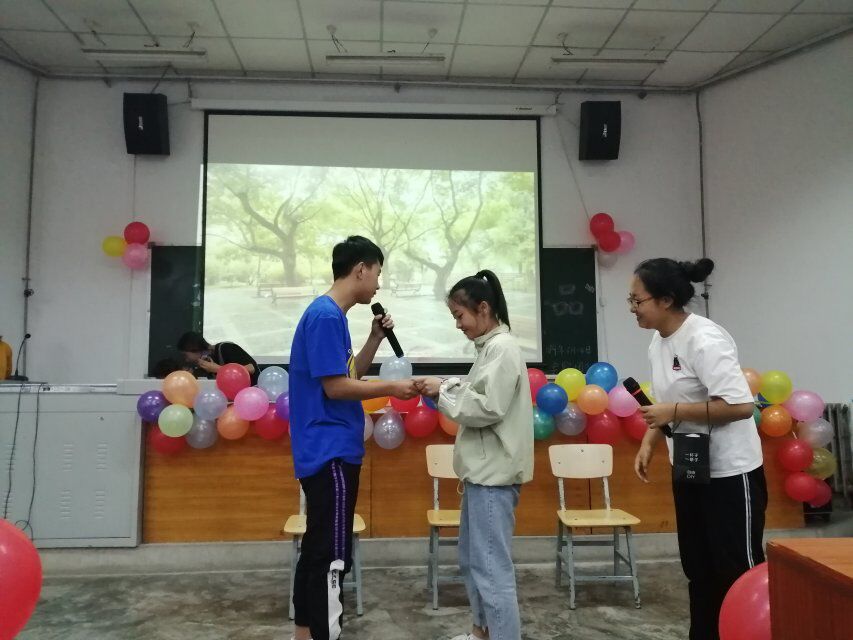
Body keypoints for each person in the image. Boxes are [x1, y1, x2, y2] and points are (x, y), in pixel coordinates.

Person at [289, 236, 418, 640]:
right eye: (377, 273)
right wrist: (392, 388)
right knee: (331, 557)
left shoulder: (332, 316)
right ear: (361, 269)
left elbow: (348, 375)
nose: (378, 284)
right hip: (331, 452)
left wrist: (375, 339)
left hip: (325, 450)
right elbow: (335, 388)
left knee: (316, 551)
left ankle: (304, 634)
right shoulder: (326, 316)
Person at [630, 258, 766, 640]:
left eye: (638, 300)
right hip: (691, 466)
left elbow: (740, 406)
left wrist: (672, 412)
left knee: (736, 571)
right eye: (630, 301)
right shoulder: (659, 341)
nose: (633, 309)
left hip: (730, 472)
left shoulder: (704, 339)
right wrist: (650, 440)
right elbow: (667, 400)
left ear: (666, 300)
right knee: (698, 568)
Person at [417, 270, 534, 640]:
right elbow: (479, 393)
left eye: (460, 316)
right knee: (473, 561)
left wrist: (442, 391)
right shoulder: (490, 348)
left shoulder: (503, 348)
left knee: (491, 569)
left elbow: (487, 407)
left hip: (493, 478)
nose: (458, 325)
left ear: (483, 308)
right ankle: (481, 632)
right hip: (482, 475)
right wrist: (447, 386)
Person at [177, 332, 259, 385]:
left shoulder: (226, 348)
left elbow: (251, 368)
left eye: (185, 356)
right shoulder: (205, 365)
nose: (186, 360)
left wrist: (218, 369)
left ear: (194, 348)